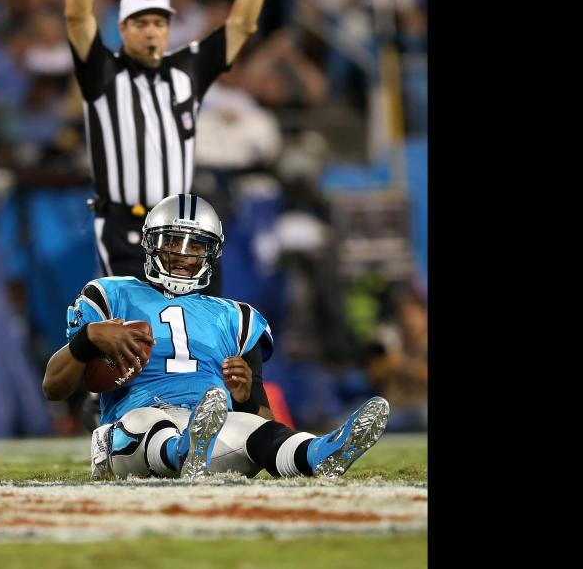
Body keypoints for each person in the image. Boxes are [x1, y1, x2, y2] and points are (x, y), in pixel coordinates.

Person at [42, 194, 389, 480]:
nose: (182, 253)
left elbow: (261, 417)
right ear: (150, 243)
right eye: (173, 240)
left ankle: (317, 453)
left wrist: (244, 398)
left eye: (195, 246)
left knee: (254, 430)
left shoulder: (235, 317)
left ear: (210, 254)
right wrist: (87, 338)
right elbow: (54, 387)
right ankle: (184, 450)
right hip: (131, 432)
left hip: (211, 425)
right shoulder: (110, 294)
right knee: (147, 422)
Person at [64, 0, 272, 286]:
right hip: (127, 225)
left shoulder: (186, 70)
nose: (151, 32)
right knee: (137, 336)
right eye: (140, 23)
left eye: (159, 22)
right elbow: (76, 16)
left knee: (206, 331)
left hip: (183, 221)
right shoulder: (103, 72)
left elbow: (241, 25)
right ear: (122, 28)